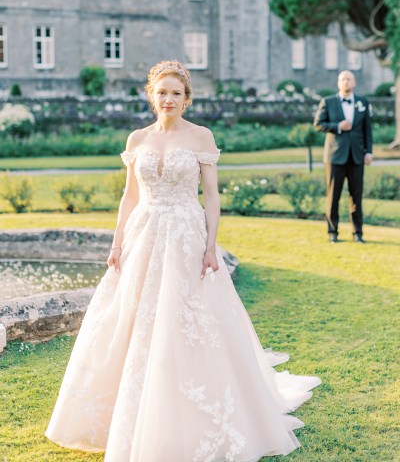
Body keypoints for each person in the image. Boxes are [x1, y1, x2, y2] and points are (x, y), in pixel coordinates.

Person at [46, 60, 321, 461]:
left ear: (187, 98)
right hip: (143, 235)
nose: (169, 99)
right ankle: (127, 411)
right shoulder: (137, 138)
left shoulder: (201, 137)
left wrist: (211, 246)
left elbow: (211, 197)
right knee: (130, 317)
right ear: (151, 96)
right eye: (162, 92)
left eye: (176, 93)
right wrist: (116, 243)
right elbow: (130, 196)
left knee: (186, 317)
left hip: (185, 236)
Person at [314, 70, 373, 244]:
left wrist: (368, 152)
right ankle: (333, 232)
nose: (346, 82)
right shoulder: (328, 102)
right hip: (334, 156)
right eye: (343, 79)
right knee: (334, 196)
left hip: (356, 157)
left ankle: (358, 233)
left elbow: (367, 130)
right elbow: (318, 124)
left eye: (349, 79)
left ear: (354, 82)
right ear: (338, 83)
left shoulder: (362, 102)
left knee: (356, 196)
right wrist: (337, 126)